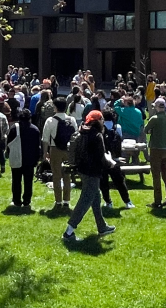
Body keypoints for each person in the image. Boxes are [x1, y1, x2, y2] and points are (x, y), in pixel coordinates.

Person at [62, 111, 116, 242]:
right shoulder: (97, 135)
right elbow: (101, 157)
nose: (103, 121)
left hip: (83, 169)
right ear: (98, 121)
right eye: (102, 119)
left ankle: (102, 227)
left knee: (95, 199)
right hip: (92, 171)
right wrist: (112, 164)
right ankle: (69, 232)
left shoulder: (82, 131)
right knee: (85, 201)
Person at [42, 96, 77, 208]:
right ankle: (67, 201)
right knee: (67, 176)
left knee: (56, 176)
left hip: (55, 148)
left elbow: (45, 139)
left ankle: (58, 201)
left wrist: (44, 154)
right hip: (68, 150)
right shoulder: (72, 120)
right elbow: (75, 136)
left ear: (55, 107)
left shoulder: (50, 120)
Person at [6, 108, 42, 208]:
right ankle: (27, 200)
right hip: (30, 160)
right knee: (28, 181)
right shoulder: (35, 129)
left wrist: (9, 154)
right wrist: (37, 159)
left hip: (17, 157)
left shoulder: (14, 128)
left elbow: (9, 144)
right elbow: (38, 146)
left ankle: (17, 200)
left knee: (16, 180)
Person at [144, 97, 166, 208]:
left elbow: (145, 130)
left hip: (156, 148)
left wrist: (152, 131)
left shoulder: (154, 118)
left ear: (157, 107)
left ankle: (157, 201)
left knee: (156, 175)